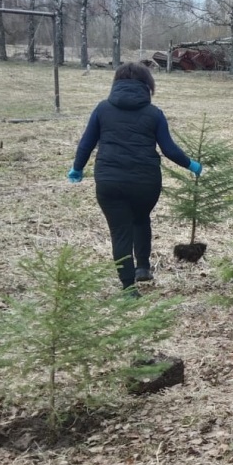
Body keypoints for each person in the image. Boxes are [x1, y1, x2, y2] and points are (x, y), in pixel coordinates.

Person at [68, 63, 202, 293]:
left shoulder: (102, 109)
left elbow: (86, 144)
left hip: (109, 182)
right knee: (140, 218)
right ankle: (143, 267)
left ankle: (129, 288)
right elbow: (169, 149)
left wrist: (77, 169)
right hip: (145, 183)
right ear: (147, 85)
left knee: (120, 231)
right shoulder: (154, 114)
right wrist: (191, 164)